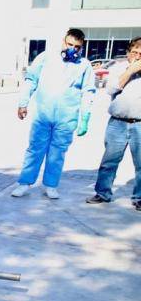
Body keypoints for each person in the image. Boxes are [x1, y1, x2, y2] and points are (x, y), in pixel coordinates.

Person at [11, 29, 96, 199]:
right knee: (35, 149)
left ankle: (51, 185)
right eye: (69, 44)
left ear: (82, 47)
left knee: (57, 152)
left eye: (77, 46)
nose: (73, 49)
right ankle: (25, 183)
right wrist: (23, 103)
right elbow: (31, 80)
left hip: (67, 117)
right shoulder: (46, 57)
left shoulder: (84, 65)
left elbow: (88, 91)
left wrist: (85, 118)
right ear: (63, 42)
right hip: (43, 114)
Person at [86, 36, 141, 211]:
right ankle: (102, 193)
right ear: (128, 53)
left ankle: (139, 198)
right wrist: (130, 71)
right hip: (117, 123)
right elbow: (110, 89)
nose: (138, 56)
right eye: (134, 52)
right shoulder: (119, 68)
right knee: (109, 161)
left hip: (139, 124)